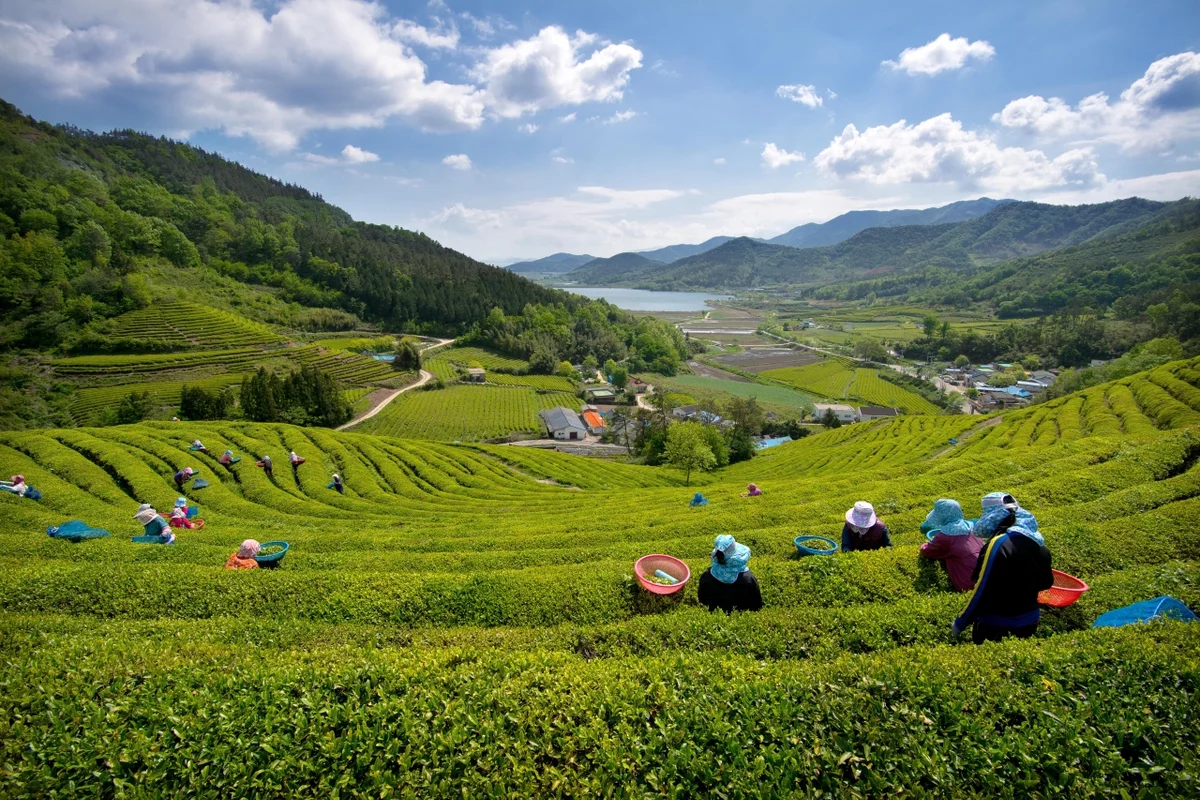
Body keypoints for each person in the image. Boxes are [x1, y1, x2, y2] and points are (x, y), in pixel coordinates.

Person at [953, 494, 1054, 644]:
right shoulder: (1036, 540)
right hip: (1030, 620)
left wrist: (960, 623)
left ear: (991, 516)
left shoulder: (997, 544)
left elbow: (982, 589)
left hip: (997, 623)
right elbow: (1046, 582)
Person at [918, 499, 984, 592]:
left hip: (969, 582)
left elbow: (928, 551)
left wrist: (924, 545)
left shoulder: (946, 536)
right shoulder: (971, 526)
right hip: (986, 573)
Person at [698, 534, 763, 613]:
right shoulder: (748, 578)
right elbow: (756, 605)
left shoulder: (707, 575)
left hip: (714, 618)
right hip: (741, 619)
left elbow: (702, 600)